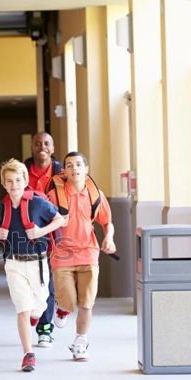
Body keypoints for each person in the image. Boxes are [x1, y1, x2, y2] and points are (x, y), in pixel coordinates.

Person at [0, 159, 66, 372]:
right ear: (3, 184)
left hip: (38, 262)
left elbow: (60, 219)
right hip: (14, 263)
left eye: (18, 180)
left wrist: (41, 231)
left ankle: (36, 317)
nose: (14, 184)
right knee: (22, 309)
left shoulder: (38, 203)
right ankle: (28, 354)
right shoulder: (0, 208)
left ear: (25, 181)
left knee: (40, 305)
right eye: (9, 181)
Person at [47, 152, 116, 361]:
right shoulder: (54, 196)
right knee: (68, 300)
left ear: (86, 170)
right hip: (62, 254)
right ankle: (62, 308)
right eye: (69, 165)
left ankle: (80, 342)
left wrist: (109, 238)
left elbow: (107, 222)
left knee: (86, 303)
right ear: (64, 172)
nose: (74, 168)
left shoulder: (96, 196)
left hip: (89, 253)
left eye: (78, 165)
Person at [23, 131, 63, 347]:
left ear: (53, 148)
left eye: (46, 143)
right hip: (26, 235)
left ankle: (45, 328)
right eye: (37, 143)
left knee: (46, 281)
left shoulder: (60, 174)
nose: (42, 147)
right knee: (29, 282)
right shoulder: (23, 171)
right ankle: (35, 313)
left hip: (51, 234)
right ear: (32, 147)